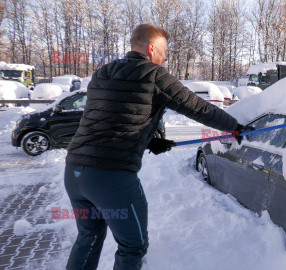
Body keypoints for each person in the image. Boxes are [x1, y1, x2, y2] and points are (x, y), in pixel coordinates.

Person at [64, 24, 247, 270]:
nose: (166, 56)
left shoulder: (103, 73)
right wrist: (233, 126)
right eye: (164, 50)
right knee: (133, 247)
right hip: (111, 178)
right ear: (151, 48)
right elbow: (196, 107)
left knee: (89, 237)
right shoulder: (154, 75)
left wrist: (150, 140)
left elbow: (110, 117)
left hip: (75, 173)